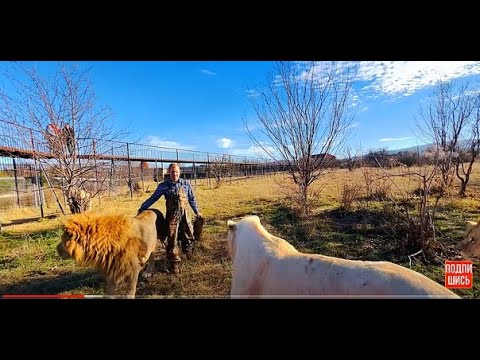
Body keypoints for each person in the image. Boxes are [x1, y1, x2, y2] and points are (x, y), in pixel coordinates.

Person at [137, 163, 203, 274]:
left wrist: (197, 211)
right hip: (172, 218)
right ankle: (174, 264)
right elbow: (153, 198)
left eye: (176, 172)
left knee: (189, 236)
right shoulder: (163, 186)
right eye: (172, 172)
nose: (175, 174)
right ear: (169, 172)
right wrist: (142, 208)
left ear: (179, 172)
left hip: (186, 216)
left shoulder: (186, 184)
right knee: (172, 239)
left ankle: (188, 255)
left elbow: (192, 199)